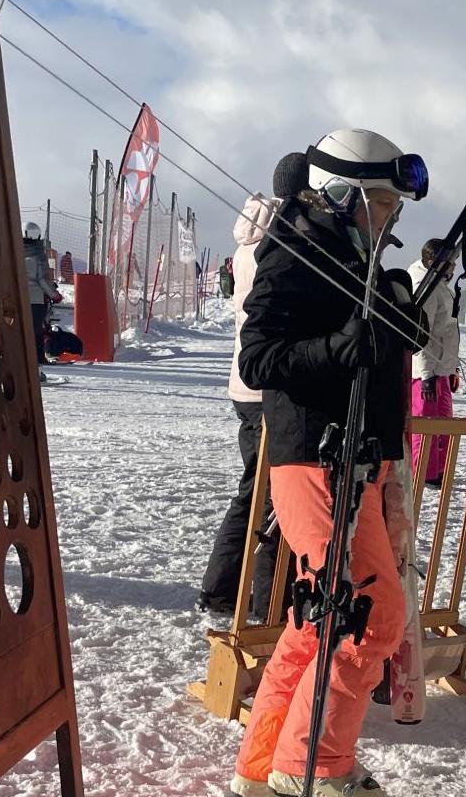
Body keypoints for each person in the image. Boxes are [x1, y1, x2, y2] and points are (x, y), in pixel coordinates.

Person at [230, 129, 428, 797]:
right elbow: (258, 357)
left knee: (321, 617)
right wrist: (338, 348)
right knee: (367, 615)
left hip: (359, 459)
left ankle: (265, 765)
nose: (389, 217)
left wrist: (399, 325)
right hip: (313, 457)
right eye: (379, 202)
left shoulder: (356, 255)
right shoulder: (294, 248)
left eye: (394, 205)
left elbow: (373, 350)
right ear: (342, 196)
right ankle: (313, 765)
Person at [197, 193, 283, 619]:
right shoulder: (274, 247)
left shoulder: (246, 245)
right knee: (267, 498)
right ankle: (264, 598)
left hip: (244, 384)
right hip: (264, 387)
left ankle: (220, 587)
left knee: (254, 491)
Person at [407, 238, 461, 487]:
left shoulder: (440, 285)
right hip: (427, 370)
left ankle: (437, 468)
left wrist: (452, 367)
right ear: (433, 262)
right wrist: (426, 373)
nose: (453, 268)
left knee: (443, 423)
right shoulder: (424, 287)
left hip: (442, 365)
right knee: (425, 425)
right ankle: (422, 471)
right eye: (449, 263)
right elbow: (421, 334)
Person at [22, 223, 59, 366]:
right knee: (37, 330)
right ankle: (38, 357)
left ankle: (22, 357)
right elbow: (42, 279)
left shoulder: (15, 251)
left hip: (20, 298)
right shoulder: (38, 255)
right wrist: (54, 295)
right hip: (36, 299)